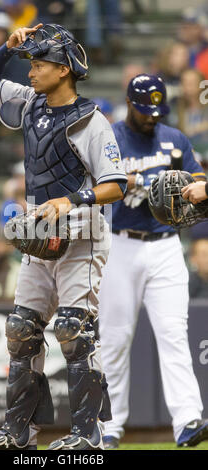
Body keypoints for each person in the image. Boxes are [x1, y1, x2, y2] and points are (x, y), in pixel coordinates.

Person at [0, 22, 127, 450]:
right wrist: (6, 47)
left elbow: (116, 184)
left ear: (63, 70)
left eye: (39, 64)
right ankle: (19, 435)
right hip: (40, 236)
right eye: (31, 64)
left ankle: (87, 436)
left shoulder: (91, 121)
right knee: (22, 330)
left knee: (74, 332)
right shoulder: (29, 103)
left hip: (83, 233)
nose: (31, 72)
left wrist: (71, 199)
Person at [98, 73, 208, 449]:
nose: (152, 116)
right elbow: (94, 186)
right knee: (114, 337)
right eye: (146, 110)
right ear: (129, 103)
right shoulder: (110, 137)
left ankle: (187, 420)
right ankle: (109, 426)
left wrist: (195, 189)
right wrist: (122, 183)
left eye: (157, 110)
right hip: (120, 244)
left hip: (165, 246)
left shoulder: (174, 138)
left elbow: (196, 176)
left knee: (174, 333)